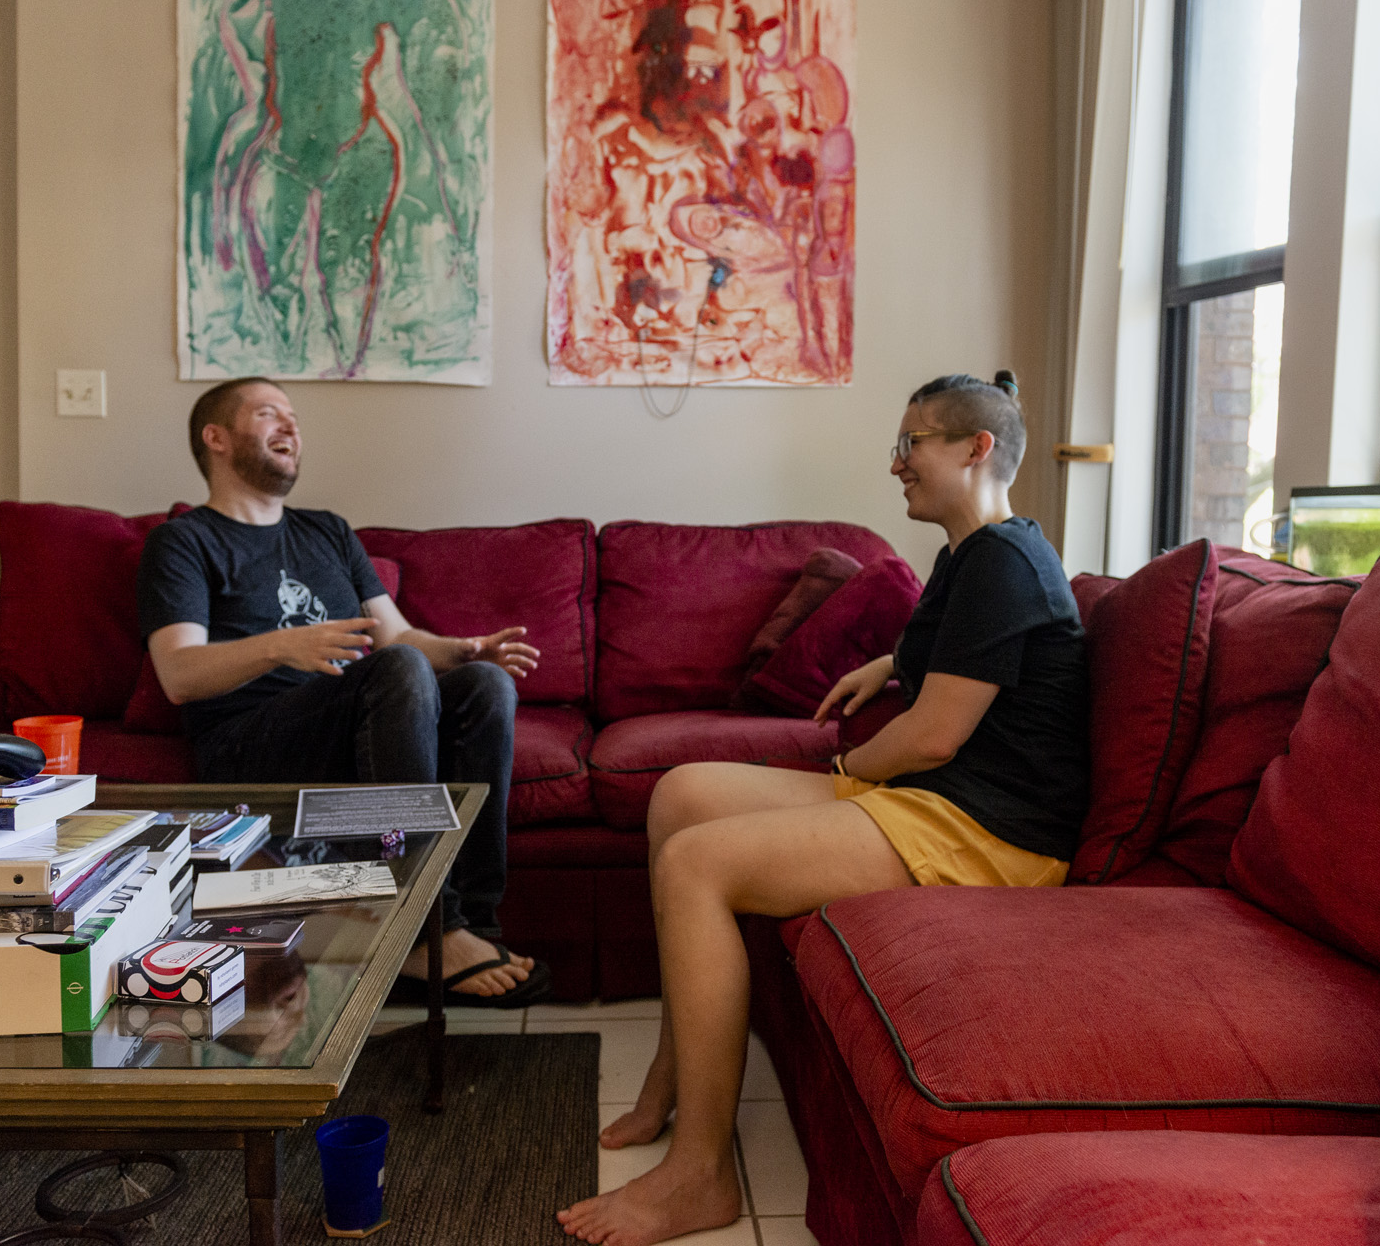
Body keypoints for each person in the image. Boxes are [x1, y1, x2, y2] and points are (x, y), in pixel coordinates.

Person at [557, 372, 1090, 1245]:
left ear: (976, 448)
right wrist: (890, 661)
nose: (896, 463)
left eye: (912, 442)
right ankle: (671, 1072)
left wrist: (847, 763)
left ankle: (700, 1173)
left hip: (987, 831)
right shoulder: (973, 556)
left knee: (699, 863)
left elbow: (931, 738)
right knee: (680, 792)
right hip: (937, 800)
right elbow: (966, 660)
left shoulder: (1005, 560)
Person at [136, 377, 548, 1005]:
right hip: (252, 741)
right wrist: (281, 646)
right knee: (398, 669)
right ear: (215, 438)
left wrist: (465, 650)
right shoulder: (184, 541)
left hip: (354, 722)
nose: (291, 427)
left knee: (483, 685)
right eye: (269, 413)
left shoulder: (327, 531)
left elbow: (400, 636)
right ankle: (421, 927)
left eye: (294, 417)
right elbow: (179, 673)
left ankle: (473, 921)